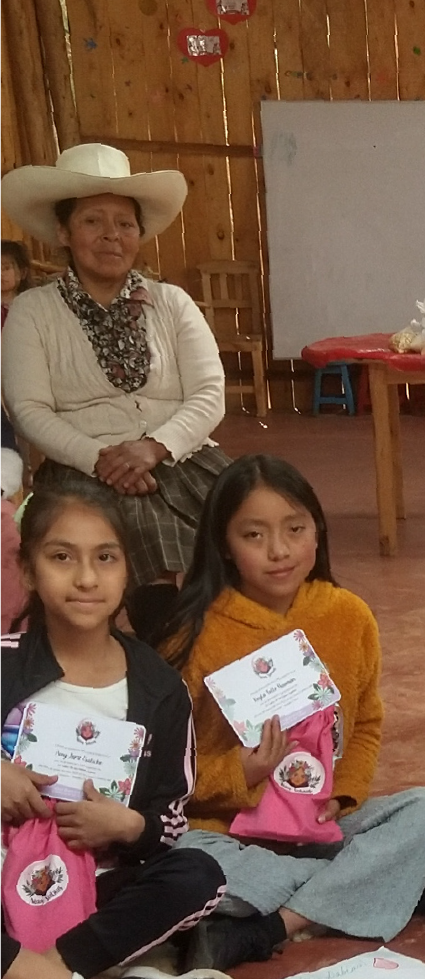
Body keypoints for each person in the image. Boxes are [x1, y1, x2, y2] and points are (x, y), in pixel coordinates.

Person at [159, 455, 425, 971]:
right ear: (223, 545)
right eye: (254, 535)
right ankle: (376, 884)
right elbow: (165, 772)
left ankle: (274, 925)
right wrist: (239, 772)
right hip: (227, 833)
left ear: (317, 531)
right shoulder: (195, 636)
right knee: (182, 864)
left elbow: (366, 721)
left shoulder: (348, 615)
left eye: (295, 529)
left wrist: (344, 794)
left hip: (320, 828)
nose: (279, 551)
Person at [0, 466, 248, 979]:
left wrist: (127, 826)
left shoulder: (160, 689)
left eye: (105, 558)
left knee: (198, 874)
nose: (87, 578)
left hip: (97, 881)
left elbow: (170, 820)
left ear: (128, 570)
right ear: (28, 570)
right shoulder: (5, 661)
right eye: (62, 557)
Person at [0, 144, 233, 639]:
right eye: (93, 221)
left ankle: (240, 654)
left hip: (181, 457)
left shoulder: (172, 302)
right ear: (63, 232)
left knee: (251, 516)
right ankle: (168, 659)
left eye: (125, 223)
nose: (112, 235)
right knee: (142, 534)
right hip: (82, 466)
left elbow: (210, 393)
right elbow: (29, 409)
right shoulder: (33, 312)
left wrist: (154, 447)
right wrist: (101, 458)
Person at [0, 238, 33, 499]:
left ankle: (31, 471)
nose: (0, 274)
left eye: (6, 267)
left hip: (27, 371)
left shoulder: (30, 305)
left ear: (21, 272)